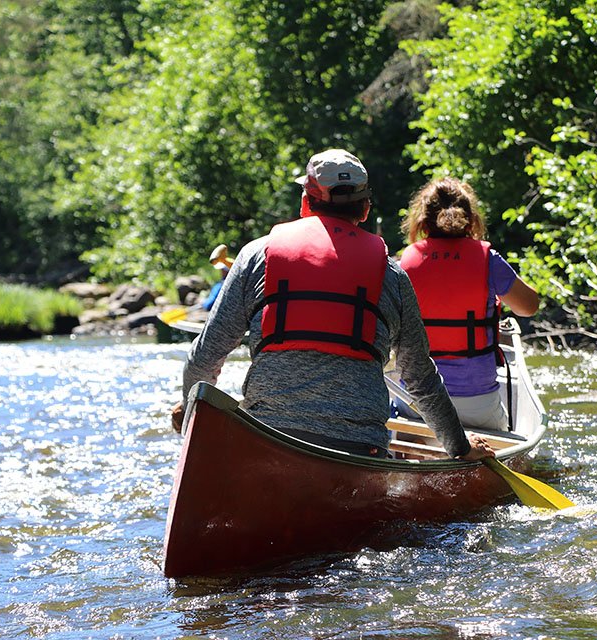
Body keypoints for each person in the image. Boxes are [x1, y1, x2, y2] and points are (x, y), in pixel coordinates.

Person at [171, 149, 493, 461]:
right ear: (365, 209)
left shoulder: (257, 255)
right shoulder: (393, 276)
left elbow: (205, 355)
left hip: (268, 438)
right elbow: (420, 376)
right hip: (360, 449)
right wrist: (460, 447)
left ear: (305, 204)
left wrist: (189, 415)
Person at [399, 178, 539, 430]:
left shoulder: (404, 264)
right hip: (476, 403)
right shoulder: (489, 260)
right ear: (472, 220)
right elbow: (528, 307)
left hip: (417, 403)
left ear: (421, 222)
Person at [201, 244, 233, 311]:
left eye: (222, 270)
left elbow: (209, 305)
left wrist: (203, 303)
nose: (221, 272)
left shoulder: (220, 286)